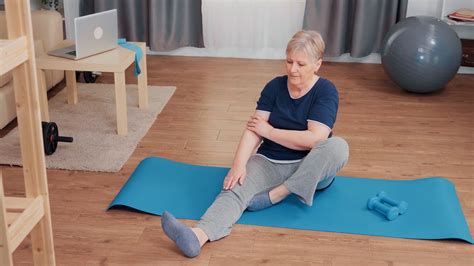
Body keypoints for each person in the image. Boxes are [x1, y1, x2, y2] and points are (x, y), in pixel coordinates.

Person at [161, 30, 349, 258]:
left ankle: (278, 194)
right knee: (234, 187)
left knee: (337, 147)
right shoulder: (275, 86)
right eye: (289, 61)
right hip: (270, 160)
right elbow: (253, 130)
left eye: (301, 64)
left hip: (312, 166)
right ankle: (198, 236)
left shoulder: (325, 91)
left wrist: (269, 131)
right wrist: (238, 164)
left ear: (317, 64)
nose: (293, 69)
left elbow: (315, 139)